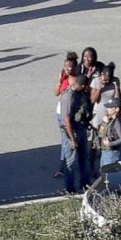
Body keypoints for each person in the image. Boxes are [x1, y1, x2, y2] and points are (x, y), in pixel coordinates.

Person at [60, 74, 92, 194]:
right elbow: (66, 119)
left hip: (81, 129)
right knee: (70, 161)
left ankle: (85, 184)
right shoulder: (68, 96)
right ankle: (70, 188)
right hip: (71, 132)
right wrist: (72, 139)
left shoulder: (80, 94)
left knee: (84, 158)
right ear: (82, 85)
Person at [53, 52, 79, 180]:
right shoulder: (64, 78)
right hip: (60, 113)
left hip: (68, 114)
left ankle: (64, 166)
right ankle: (63, 166)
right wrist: (59, 80)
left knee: (67, 141)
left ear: (75, 67)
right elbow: (56, 93)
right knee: (65, 140)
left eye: (69, 67)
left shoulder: (75, 81)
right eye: (65, 66)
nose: (67, 69)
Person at [98, 97, 121, 168]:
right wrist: (104, 123)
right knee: (103, 172)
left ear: (117, 109)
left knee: (108, 174)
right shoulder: (110, 119)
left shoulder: (118, 122)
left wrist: (110, 144)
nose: (107, 109)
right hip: (106, 151)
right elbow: (101, 133)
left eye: (110, 107)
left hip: (112, 153)